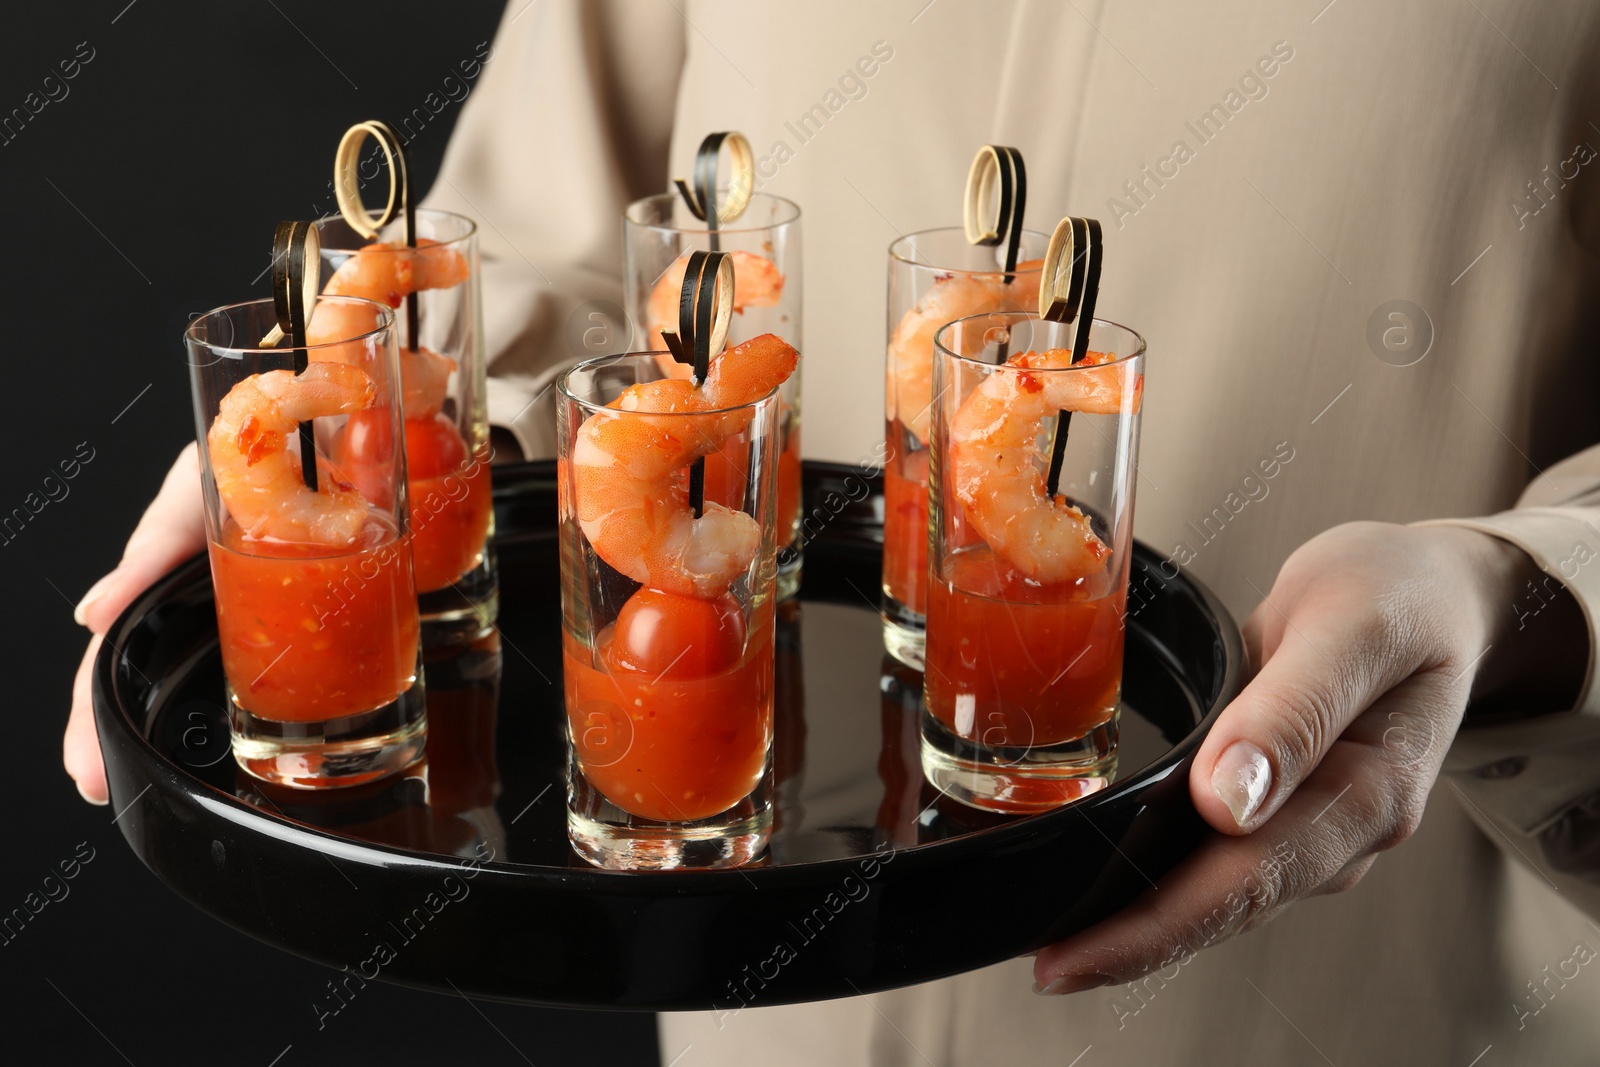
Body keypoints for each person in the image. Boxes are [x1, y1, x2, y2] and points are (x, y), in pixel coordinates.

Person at [67, 2, 1600, 1062]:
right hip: (755, 1008)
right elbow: (540, 255)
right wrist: (370, 469)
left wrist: (1526, 596)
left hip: (1379, 1008)